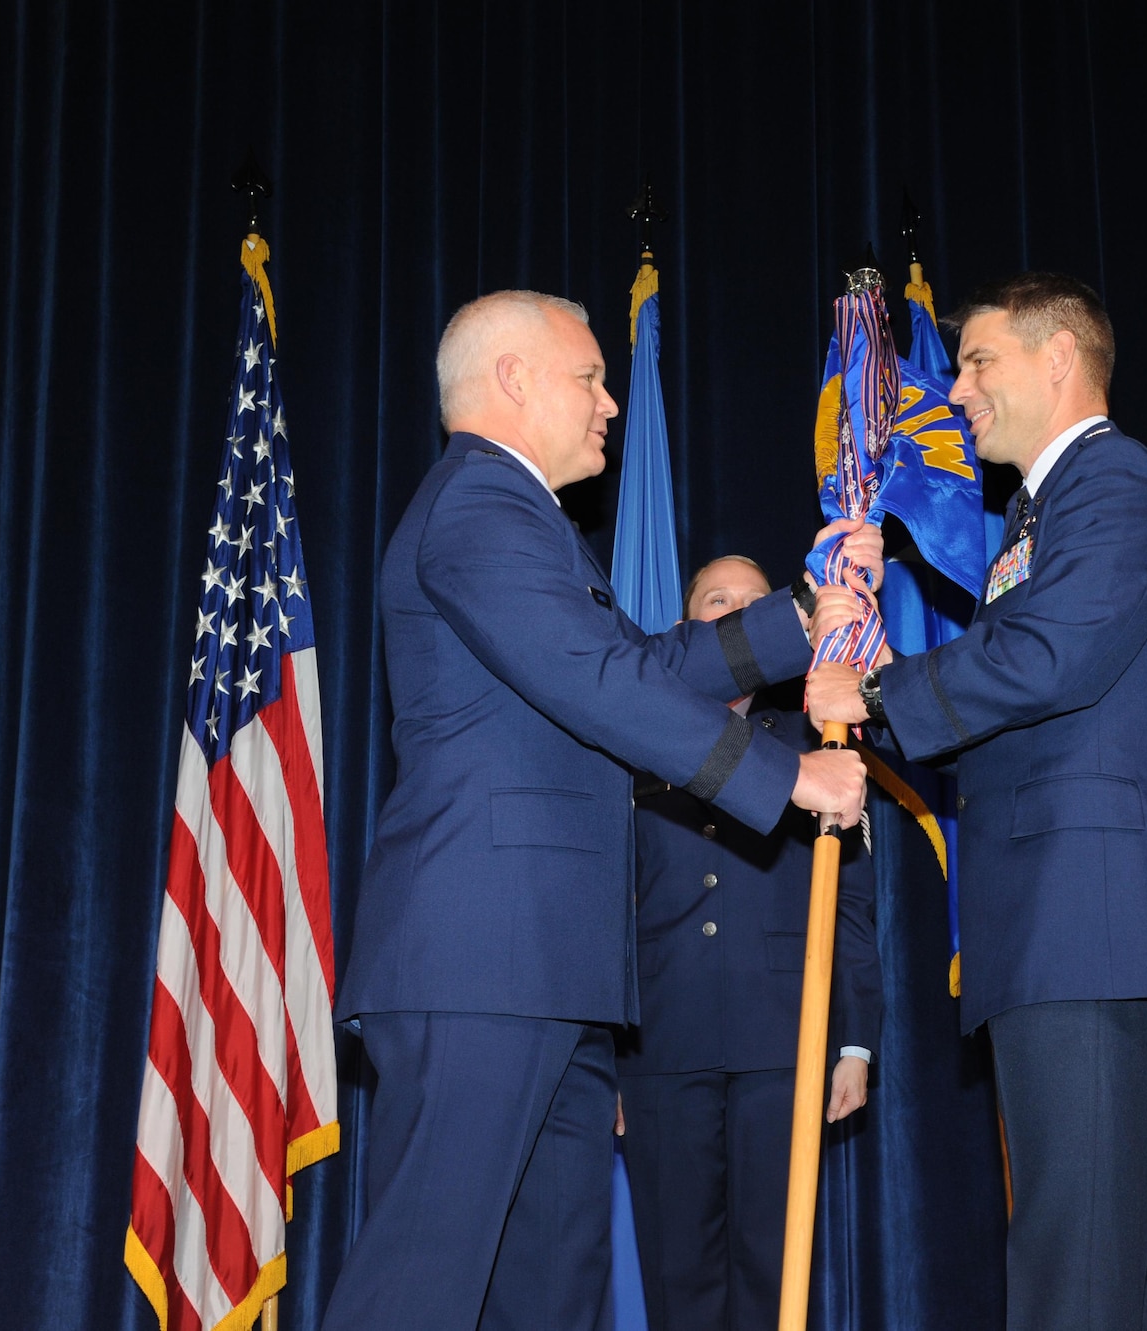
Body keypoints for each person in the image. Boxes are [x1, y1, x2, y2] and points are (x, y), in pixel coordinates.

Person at [325, 290, 876, 1330]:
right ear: (512, 380)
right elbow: (597, 682)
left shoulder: (523, 523)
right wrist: (787, 778)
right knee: (422, 1287)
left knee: (547, 1296)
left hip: (553, 976)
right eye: (588, 376)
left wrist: (802, 616)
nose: (611, 403)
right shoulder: (478, 507)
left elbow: (640, 663)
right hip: (480, 967)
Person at [810, 273, 1147, 1329]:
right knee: (1143, 1267)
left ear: (1057, 360)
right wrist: (876, 641)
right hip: (1061, 929)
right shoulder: (1039, 516)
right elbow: (1012, 680)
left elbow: (1044, 659)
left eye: (977, 362)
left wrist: (868, 690)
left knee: (1070, 1272)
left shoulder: (1114, 486)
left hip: (1087, 925)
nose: (954, 390)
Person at [616, 555, 883, 1330]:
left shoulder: (815, 734)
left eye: (754, 602)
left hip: (784, 1044)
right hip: (660, 1047)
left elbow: (853, 900)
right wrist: (602, 1060)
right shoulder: (633, 742)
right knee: (678, 1279)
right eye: (717, 599)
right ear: (683, 628)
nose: (736, 611)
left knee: (778, 1276)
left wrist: (856, 1044)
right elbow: (606, 910)